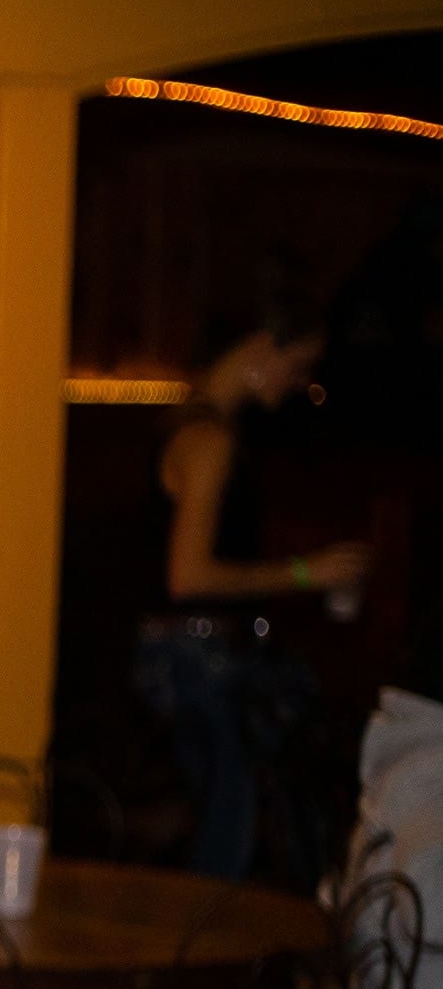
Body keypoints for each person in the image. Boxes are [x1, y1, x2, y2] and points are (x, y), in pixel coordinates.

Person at [132, 319, 368, 883]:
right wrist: (307, 573)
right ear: (262, 346)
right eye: (299, 365)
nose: (300, 382)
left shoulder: (188, 426)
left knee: (222, 825)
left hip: (184, 658)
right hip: (200, 660)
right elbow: (188, 578)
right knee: (228, 837)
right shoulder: (210, 441)